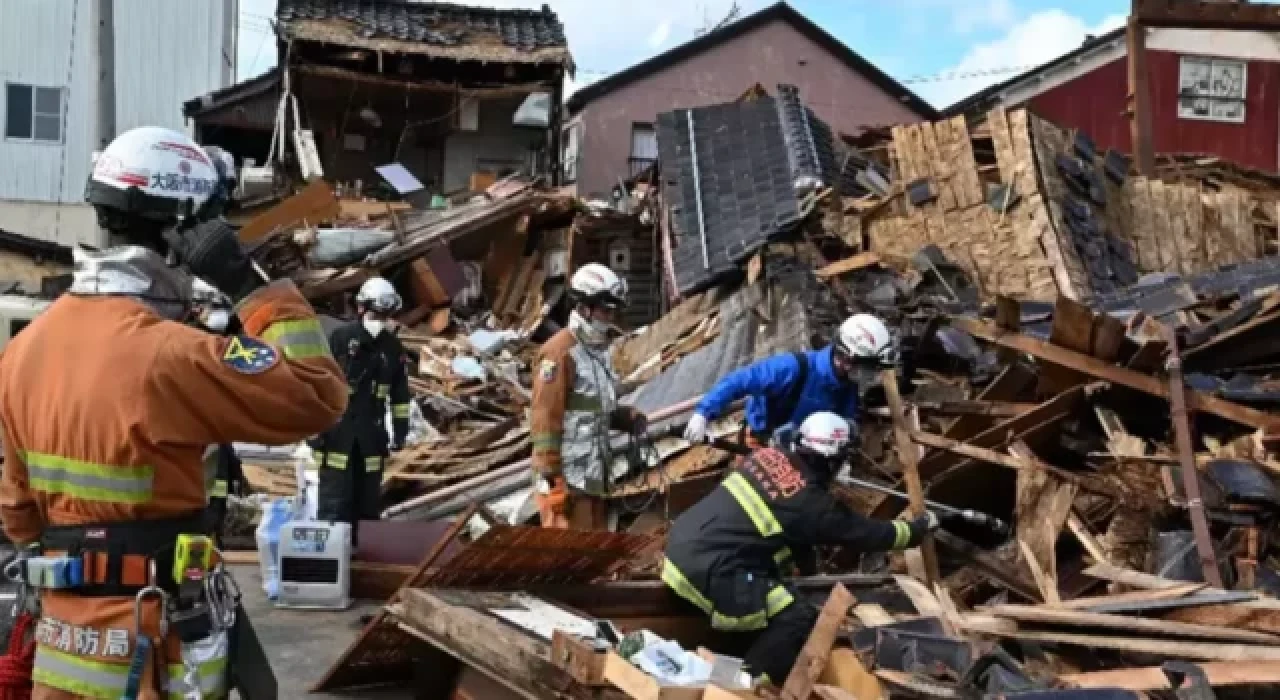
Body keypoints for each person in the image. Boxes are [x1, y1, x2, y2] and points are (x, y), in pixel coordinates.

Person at [0, 125, 348, 700]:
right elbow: (318, 393)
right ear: (185, 234)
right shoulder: (172, 355)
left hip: (62, 653)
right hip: (155, 650)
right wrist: (248, 283)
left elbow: (18, 512)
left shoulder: (23, 350)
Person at [663, 411, 962, 686]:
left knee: (774, 580)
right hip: (714, 570)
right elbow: (866, 534)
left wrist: (808, 570)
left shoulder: (768, 456)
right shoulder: (811, 505)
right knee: (796, 616)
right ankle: (743, 683)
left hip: (682, 547)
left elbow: (787, 534)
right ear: (830, 459)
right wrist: (915, 530)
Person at [530, 263, 647, 530]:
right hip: (566, 482)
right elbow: (545, 420)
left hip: (593, 476)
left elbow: (591, 407)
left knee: (595, 554)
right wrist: (552, 480)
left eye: (612, 311)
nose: (609, 317)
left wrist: (626, 417)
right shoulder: (559, 354)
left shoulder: (598, 352)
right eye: (605, 310)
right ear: (584, 307)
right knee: (568, 560)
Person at [683, 313, 895, 448]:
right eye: (866, 366)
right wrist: (703, 413)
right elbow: (739, 381)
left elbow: (846, 419)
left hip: (803, 450)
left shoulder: (846, 384)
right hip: (762, 441)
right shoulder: (792, 369)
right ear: (847, 358)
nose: (868, 374)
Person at [311, 276, 411, 547]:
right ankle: (331, 560)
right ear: (360, 309)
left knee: (367, 504)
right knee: (334, 503)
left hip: (371, 437)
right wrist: (315, 433)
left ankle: (359, 564)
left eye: (385, 314)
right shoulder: (341, 339)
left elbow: (400, 396)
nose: (380, 319)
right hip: (337, 437)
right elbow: (321, 386)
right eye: (376, 313)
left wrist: (400, 433)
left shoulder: (392, 348)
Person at [203, 444, 245, 548]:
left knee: (209, 513)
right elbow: (234, 462)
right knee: (216, 514)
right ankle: (215, 539)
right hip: (219, 485)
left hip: (206, 486)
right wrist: (239, 480)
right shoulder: (222, 441)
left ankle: (212, 539)